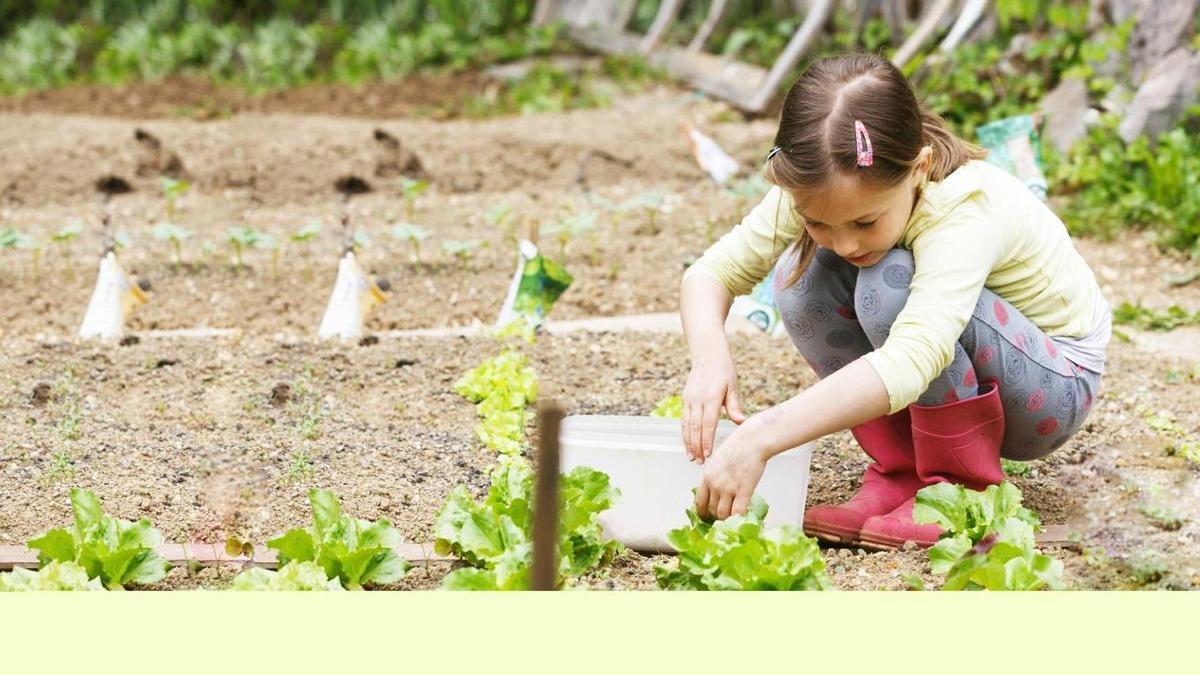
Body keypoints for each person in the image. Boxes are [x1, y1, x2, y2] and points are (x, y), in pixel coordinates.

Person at [679, 53, 1110, 550]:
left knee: (890, 283)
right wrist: (709, 362)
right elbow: (710, 273)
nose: (843, 243)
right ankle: (902, 473)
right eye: (820, 223)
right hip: (980, 366)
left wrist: (762, 436)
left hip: (1051, 390)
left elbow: (914, 357)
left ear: (918, 168)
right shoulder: (818, 184)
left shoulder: (963, 207)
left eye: (865, 222)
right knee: (799, 284)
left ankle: (959, 491)